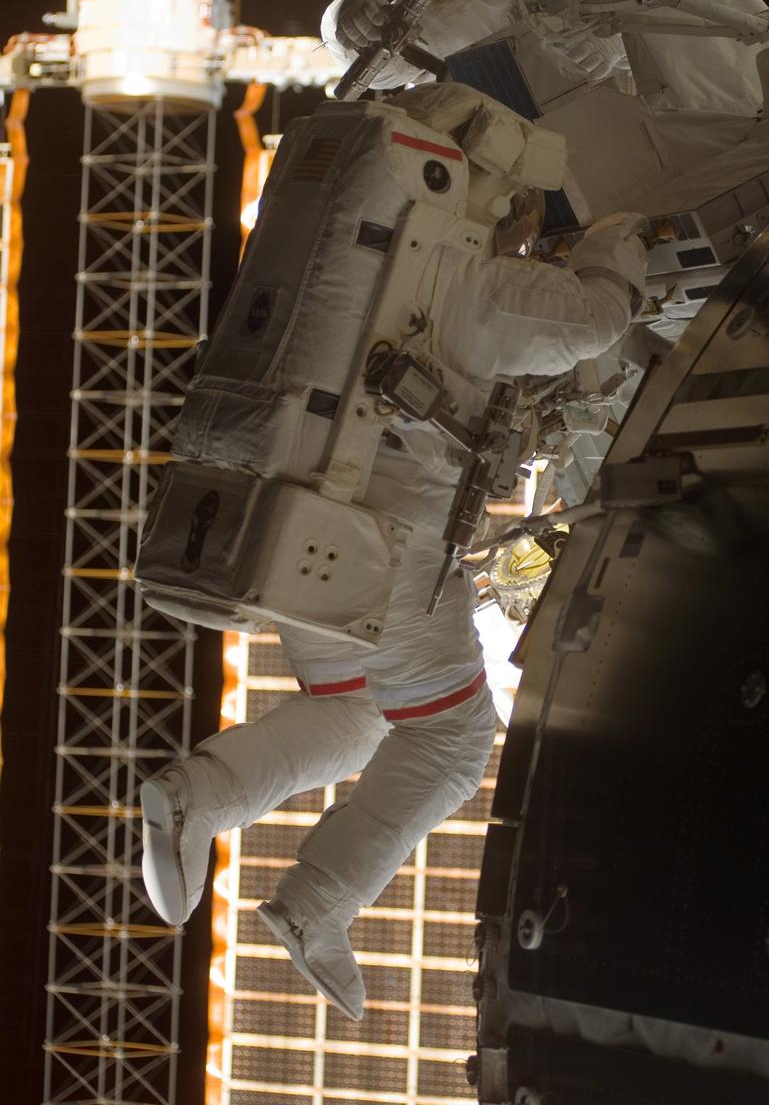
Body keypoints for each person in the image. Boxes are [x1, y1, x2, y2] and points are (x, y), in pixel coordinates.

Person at [140, 82, 649, 1023]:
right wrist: (620, 243)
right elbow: (591, 322)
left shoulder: (341, 250)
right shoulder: (451, 271)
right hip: (375, 553)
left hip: (300, 537)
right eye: (516, 208)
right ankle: (306, 895)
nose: (519, 226)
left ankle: (200, 800)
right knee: (450, 742)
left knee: (352, 716)